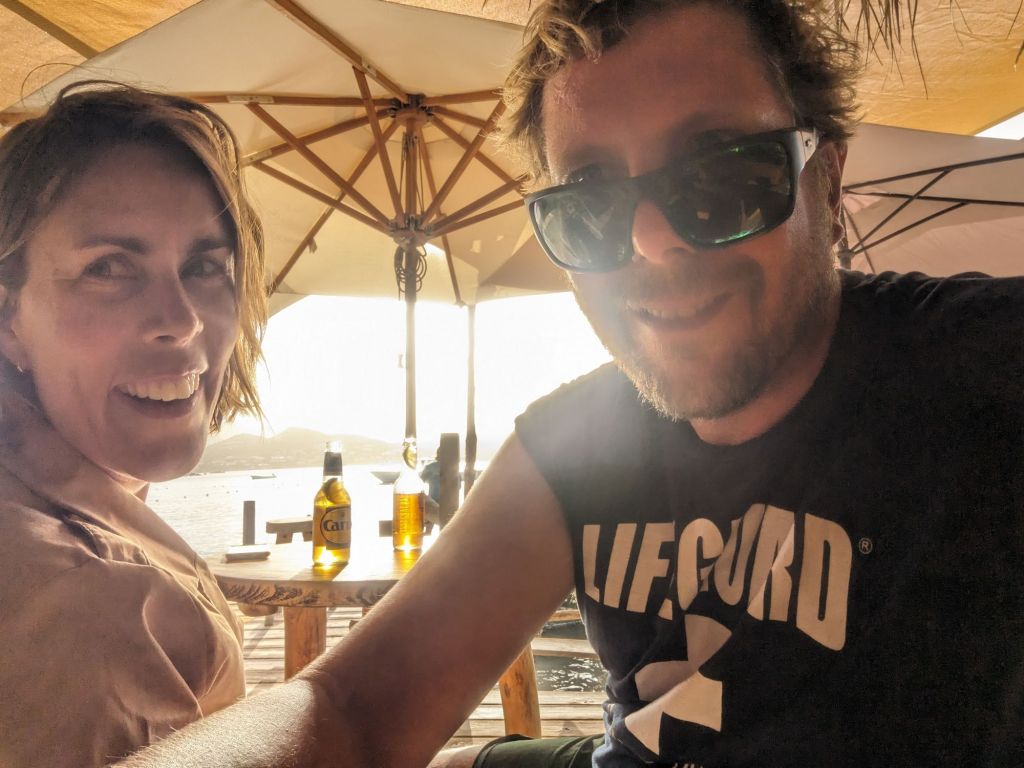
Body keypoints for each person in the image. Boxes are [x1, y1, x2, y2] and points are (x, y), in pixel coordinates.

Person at [117, 1, 1022, 766]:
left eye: (722, 178)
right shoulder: (580, 442)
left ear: (825, 176)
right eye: (591, 207)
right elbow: (352, 705)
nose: (651, 243)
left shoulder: (979, 368)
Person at [0, 82, 266, 767]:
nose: (181, 320)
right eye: (109, 269)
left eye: (204, 266)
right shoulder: (84, 603)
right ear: (9, 320)